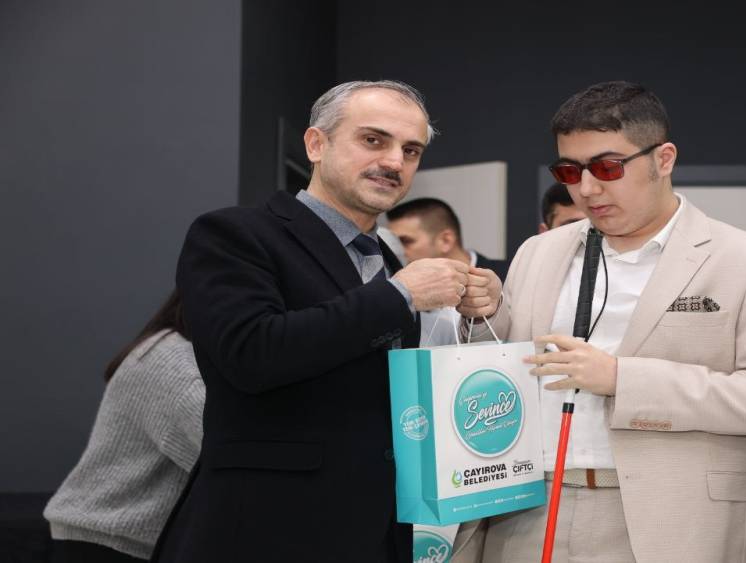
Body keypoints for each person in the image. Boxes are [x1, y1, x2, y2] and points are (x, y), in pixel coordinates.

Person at [460, 81, 746, 562]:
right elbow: (504, 374)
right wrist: (484, 317)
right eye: (569, 171)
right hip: (527, 512)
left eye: (608, 167)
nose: (587, 189)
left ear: (663, 159)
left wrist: (623, 380)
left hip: (670, 523)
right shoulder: (538, 252)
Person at [152, 81, 494, 563]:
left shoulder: (388, 264)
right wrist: (399, 296)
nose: (394, 162)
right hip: (267, 529)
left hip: (377, 531)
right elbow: (251, 354)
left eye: (410, 150)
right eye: (373, 140)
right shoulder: (235, 234)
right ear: (316, 144)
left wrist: (478, 315)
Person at [44, 290, 202, 562]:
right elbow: (228, 448)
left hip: (118, 540)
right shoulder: (171, 360)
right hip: (107, 541)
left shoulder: (178, 353)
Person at [387, 197, 510, 280]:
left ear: (446, 241)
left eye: (405, 241)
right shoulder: (401, 287)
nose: (396, 251)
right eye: (394, 242)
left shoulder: (509, 278)